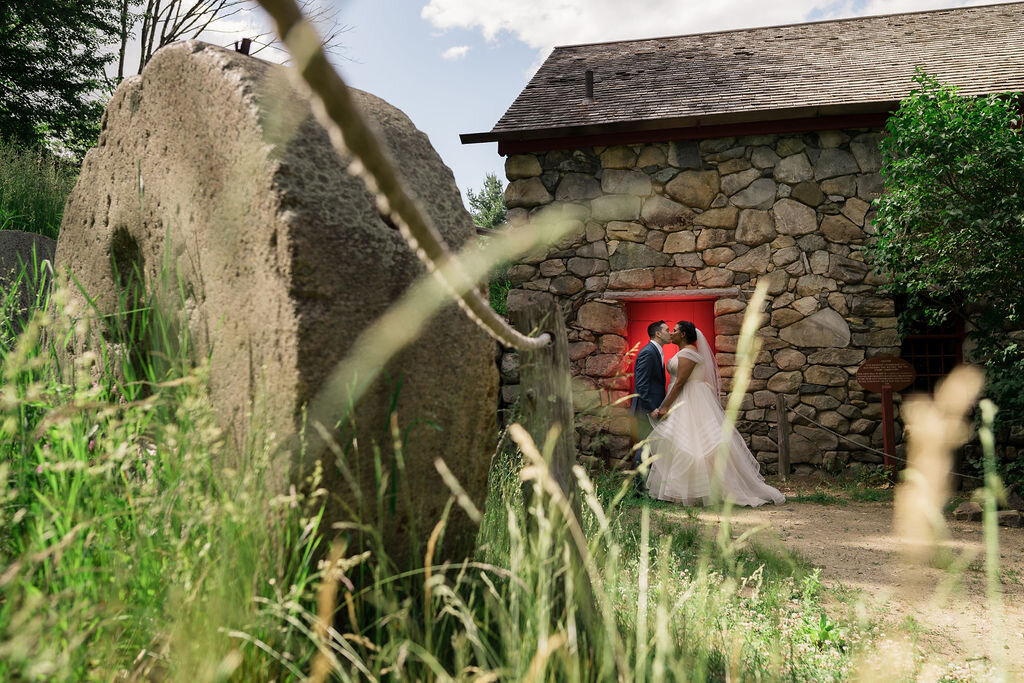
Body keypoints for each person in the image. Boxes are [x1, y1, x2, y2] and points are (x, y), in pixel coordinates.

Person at [645, 321, 785, 507]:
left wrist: (665, 408)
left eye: (676, 330)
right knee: (680, 443)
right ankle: (679, 492)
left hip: (688, 400)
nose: (672, 333)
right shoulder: (684, 352)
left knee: (692, 444)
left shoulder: (688, 353)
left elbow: (680, 383)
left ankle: (697, 491)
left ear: (684, 334)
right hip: (685, 399)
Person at [630, 320, 671, 491]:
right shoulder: (648, 352)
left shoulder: (657, 351)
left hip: (652, 407)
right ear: (658, 334)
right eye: (667, 330)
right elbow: (641, 385)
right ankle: (639, 489)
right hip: (645, 409)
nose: (670, 333)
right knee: (645, 446)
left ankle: (647, 485)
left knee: (650, 445)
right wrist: (651, 408)